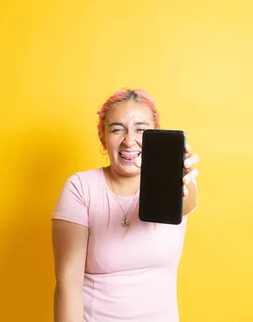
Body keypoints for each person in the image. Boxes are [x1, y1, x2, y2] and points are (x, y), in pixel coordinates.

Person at [51, 88, 200, 322]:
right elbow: (68, 283)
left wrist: (180, 177)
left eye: (141, 129)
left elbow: (185, 202)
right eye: (117, 129)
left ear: (156, 135)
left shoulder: (176, 184)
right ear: (102, 136)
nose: (129, 140)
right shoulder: (80, 188)